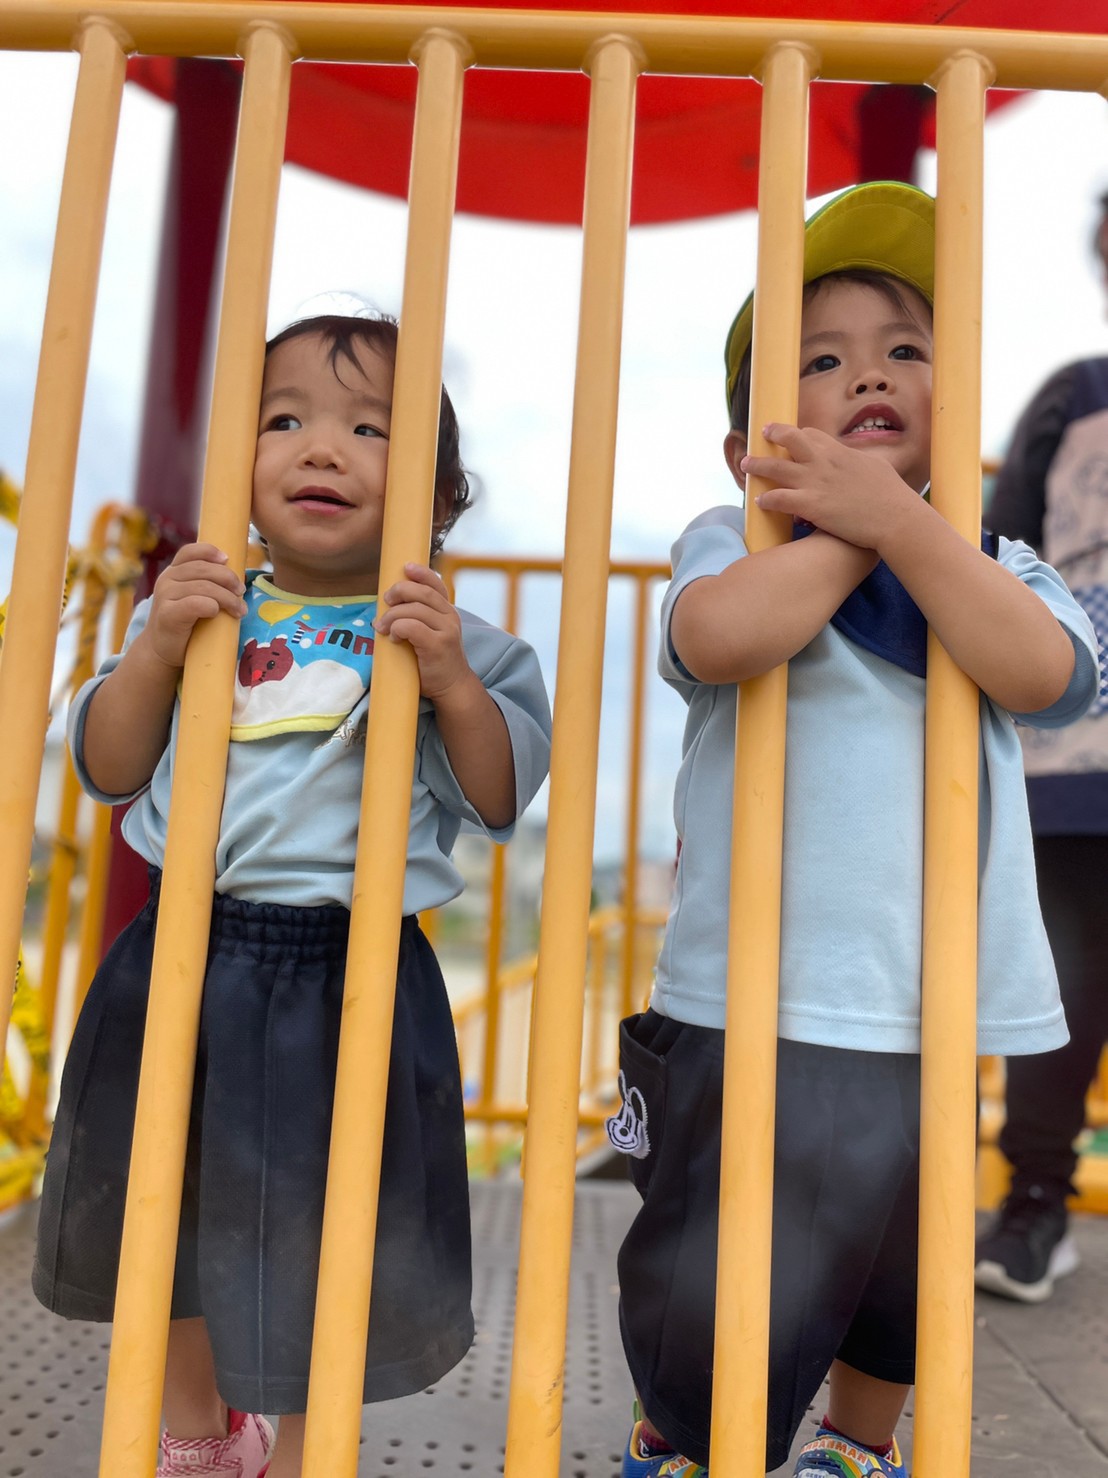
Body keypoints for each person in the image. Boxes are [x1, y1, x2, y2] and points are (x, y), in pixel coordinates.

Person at [604, 183, 1100, 1478]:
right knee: (709, 1263)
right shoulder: (733, 541)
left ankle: (857, 1444)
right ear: (747, 449)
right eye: (819, 362)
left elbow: (1046, 673)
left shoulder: (993, 563)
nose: (867, 373)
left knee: (901, 1261)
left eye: (905, 350)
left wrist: (906, 522)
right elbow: (720, 635)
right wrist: (854, 525)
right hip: (743, 998)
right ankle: (687, 1437)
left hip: (920, 1006)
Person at [32, 314, 553, 1478]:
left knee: (332, 1233)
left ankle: (316, 1450)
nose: (322, 446)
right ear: (239, 467)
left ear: (439, 497)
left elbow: (500, 791)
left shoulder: (450, 639)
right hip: (184, 949)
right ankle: (199, 1432)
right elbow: (108, 765)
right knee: (165, 1208)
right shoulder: (199, 610)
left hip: (349, 970)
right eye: (284, 420)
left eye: (370, 429)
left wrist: (451, 680)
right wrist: (156, 649)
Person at [974, 192, 1108, 1304]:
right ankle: (1033, 1199)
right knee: (1064, 977)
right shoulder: (1076, 394)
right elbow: (999, 546)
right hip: (1078, 745)